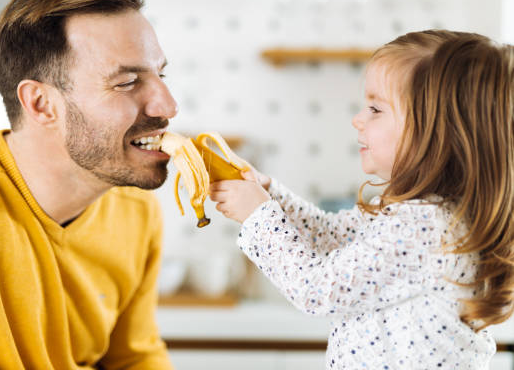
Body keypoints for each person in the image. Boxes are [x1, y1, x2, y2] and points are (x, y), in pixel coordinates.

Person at [0, 0, 177, 369]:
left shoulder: (135, 208)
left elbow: (135, 358)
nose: (168, 105)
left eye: (160, 76)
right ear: (42, 104)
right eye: (128, 82)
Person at [210, 30, 514, 369]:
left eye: (375, 109)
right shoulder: (426, 216)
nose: (358, 119)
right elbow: (327, 234)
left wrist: (257, 214)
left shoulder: (422, 226)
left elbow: (317, 289)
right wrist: (270, 194)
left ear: (437, 131)